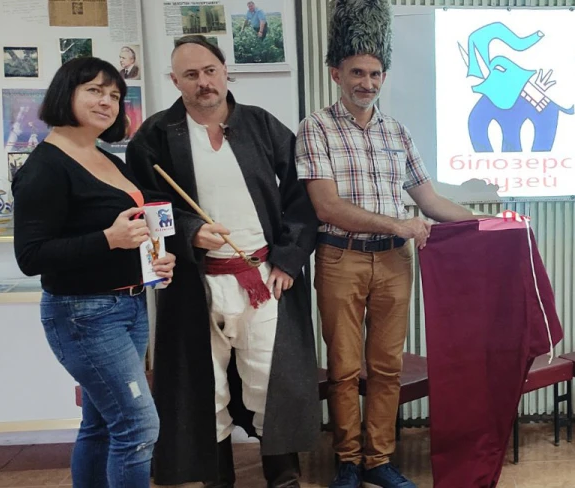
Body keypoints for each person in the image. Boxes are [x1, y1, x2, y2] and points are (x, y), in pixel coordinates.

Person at [125, 35, 321, 487]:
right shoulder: (154, 136)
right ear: (175, 81)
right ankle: (218, 481)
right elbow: (145, 205)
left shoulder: (261, 125)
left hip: (261, 277)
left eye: (210, 71)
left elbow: (301, 196)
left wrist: (288, 260)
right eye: (191, 75)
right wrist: (191, 231)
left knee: (270, 381)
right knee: (204, 387)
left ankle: (284, 479)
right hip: (194, 284)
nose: (203, 82)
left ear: (225, 71)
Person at [296, 1, 477, 486]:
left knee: (386, 367)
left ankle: (378, 461)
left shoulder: (397, 132)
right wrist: (398, 224)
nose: (367, 83)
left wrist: (488, 223)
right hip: (340, 259)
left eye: (375, 74)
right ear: (336, 74)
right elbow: (326, 207)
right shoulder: (316, 128)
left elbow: (430, 200)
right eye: (357, 72)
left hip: (395, 263)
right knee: (343, 368)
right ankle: (348, 460)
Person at [11, 56, 173, 487]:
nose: (107, 102)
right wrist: (108, 239)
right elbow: (31, 256)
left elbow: (129, 230)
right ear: (66, 93)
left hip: (129, 307)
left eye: (115, 95)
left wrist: (154, 262)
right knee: (139, 427)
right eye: (95, 90)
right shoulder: (45, 167)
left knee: (101, 425)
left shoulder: (106, 158)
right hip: (84, 314)